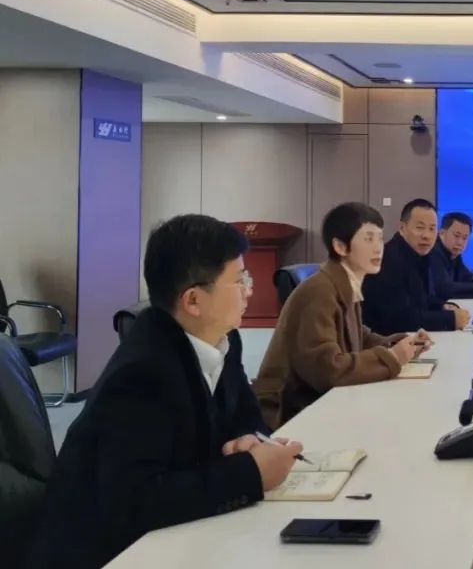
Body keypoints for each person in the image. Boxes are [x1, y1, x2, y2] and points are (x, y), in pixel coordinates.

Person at [26, 215, 303, 569]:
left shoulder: (224, 339)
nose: (250, 289)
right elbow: (135, 501)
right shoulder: (143, 373)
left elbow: (244, 414)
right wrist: (250, 474)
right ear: (193, 300)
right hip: (102, 553)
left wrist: (248, 438)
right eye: (239, 280)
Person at [253, 202, 434, 430]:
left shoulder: (345, 283)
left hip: (320, 401)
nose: (378, 248)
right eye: (368, 239)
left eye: (380, 239)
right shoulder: (319, 291)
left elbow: (359, 336)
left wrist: (400, 344)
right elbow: (329, 370)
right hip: (289, 414)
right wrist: (392, 358)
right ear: (340, 246)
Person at [362, 198, 471, 334]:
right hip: (384, 341)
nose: (426, 235)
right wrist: (450, 319)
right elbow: (399, 319)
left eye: (432, 229)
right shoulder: (389, 260)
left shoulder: (421, 255)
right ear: (402, 228)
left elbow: (420, 299)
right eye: (420, 228)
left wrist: (442, 306)